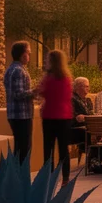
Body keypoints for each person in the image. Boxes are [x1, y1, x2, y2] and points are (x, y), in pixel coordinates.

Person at [38, 49, 74, 189]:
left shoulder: (48, 78)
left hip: (49, 116)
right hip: (64, 116)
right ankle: (65, 178)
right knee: (64, 149)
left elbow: (42, 92)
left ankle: (49, 178)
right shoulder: (66, 78)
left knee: (48, 149)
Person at [3, 41, 35, 163]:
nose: (29, 56)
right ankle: (21, 177)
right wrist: (35, 91)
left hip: (16, 115)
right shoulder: (18, 71)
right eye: (28, 53)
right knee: (24, 149)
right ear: (23, 54)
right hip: (21, 116)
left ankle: (18, 176)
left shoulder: (12, 69)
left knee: (20, 148)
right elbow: (18, 94)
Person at [70, 77, 91, 151]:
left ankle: (98, 156)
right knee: (91, 134)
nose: (88, 89)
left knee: (100, 132)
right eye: (86, 86)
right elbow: (71, 118)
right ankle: (94, 157)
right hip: (73, 130)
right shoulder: (71, 99)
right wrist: (77, 118)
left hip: (86, 127)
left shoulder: (88, 100)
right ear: (78, 87)